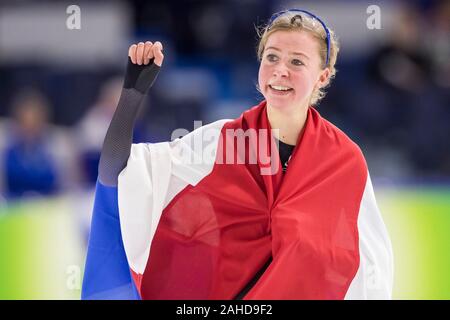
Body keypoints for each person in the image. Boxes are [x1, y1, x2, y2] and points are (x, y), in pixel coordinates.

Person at [82, 9, 393, 300]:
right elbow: (115, 174)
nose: (280, 71)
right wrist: (132, 94)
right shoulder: (220, 142)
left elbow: (370, 274)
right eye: (271, 57)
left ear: (323, 76)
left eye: (297, 62)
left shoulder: (343, 162)